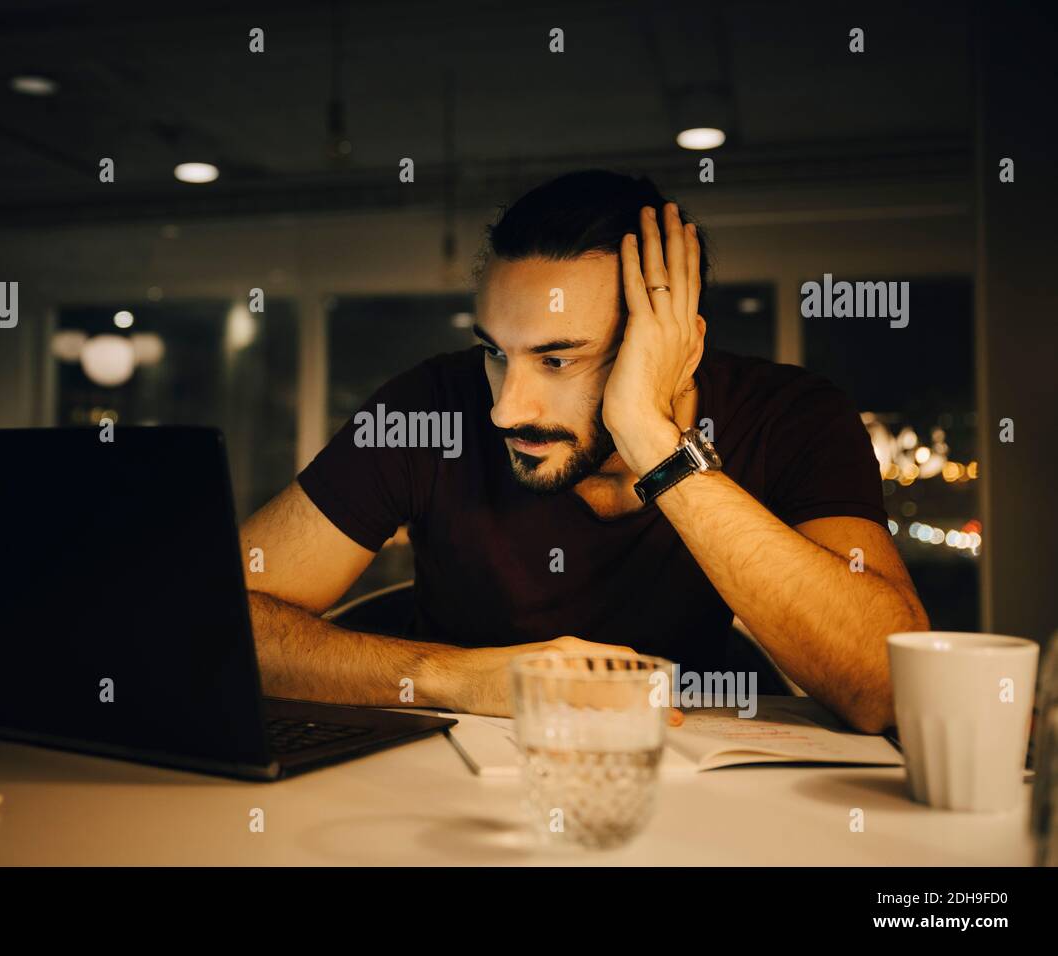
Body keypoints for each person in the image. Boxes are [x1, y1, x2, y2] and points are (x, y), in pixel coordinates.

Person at [239, 170, 928, 733]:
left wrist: (654, 441)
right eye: (494, 352)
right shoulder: (428, 409)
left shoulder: (788, 415)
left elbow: (888, 687)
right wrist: (458, 676)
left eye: (558, 360)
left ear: (665, 353)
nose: (506, 408)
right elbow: (216, 622)